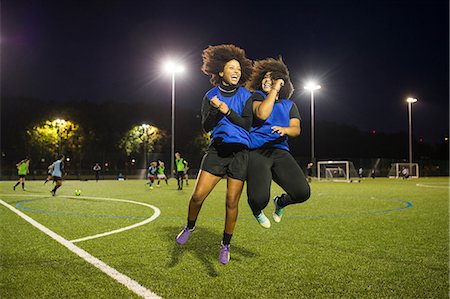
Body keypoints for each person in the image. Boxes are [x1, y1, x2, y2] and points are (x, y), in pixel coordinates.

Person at [175, 44, 253, 265]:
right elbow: (205, 127)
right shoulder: (210, 95)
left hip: (240, 153)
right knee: (198, 196)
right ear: (221, 72)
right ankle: (190, 227)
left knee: (231, 202)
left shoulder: (247, 95)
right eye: (231, 67)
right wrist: (216, 112)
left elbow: (247, 124)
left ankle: (225, 245)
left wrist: (227, 110)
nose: (236, 71)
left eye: (238, 68)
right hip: (217, 151)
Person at [245, 57, 311, 229]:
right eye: (265, 77)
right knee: (258, 199)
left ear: (282, 82)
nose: (267, 80)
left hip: (280, 151)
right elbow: (262, 114)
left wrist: (285, 130)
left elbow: (296, 129)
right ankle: (257, 211)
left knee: (302, 192)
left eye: (272, 77)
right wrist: (273, 90)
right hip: (257, 152)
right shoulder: (255, 97)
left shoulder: (289, 105)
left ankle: (280, 202)